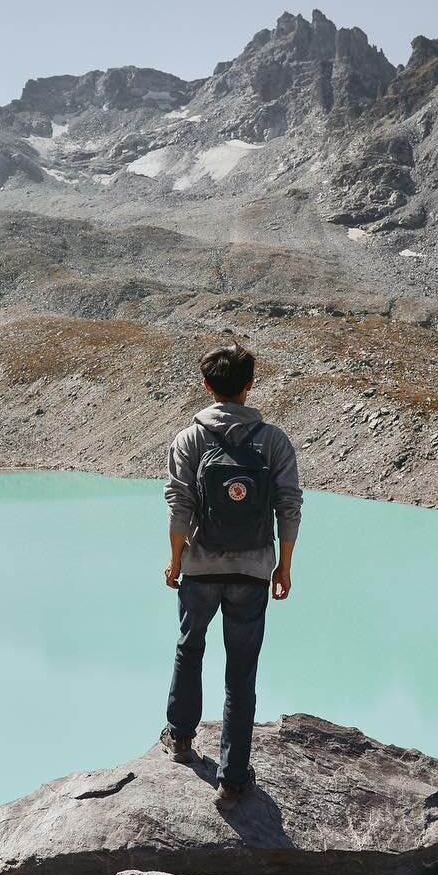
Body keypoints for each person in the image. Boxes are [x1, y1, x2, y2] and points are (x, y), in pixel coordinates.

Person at [161, 342, 302, 808]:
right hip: (253, 569)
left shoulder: (188, 438)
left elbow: (179, 503)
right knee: (241, 672)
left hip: (201, 567)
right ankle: (234, 777)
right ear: (249, 385)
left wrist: (177, 558)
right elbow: (289, 504)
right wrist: (283, 564)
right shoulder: (273, 439)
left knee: (189, 647)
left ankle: (181, 738)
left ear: (206, 385)